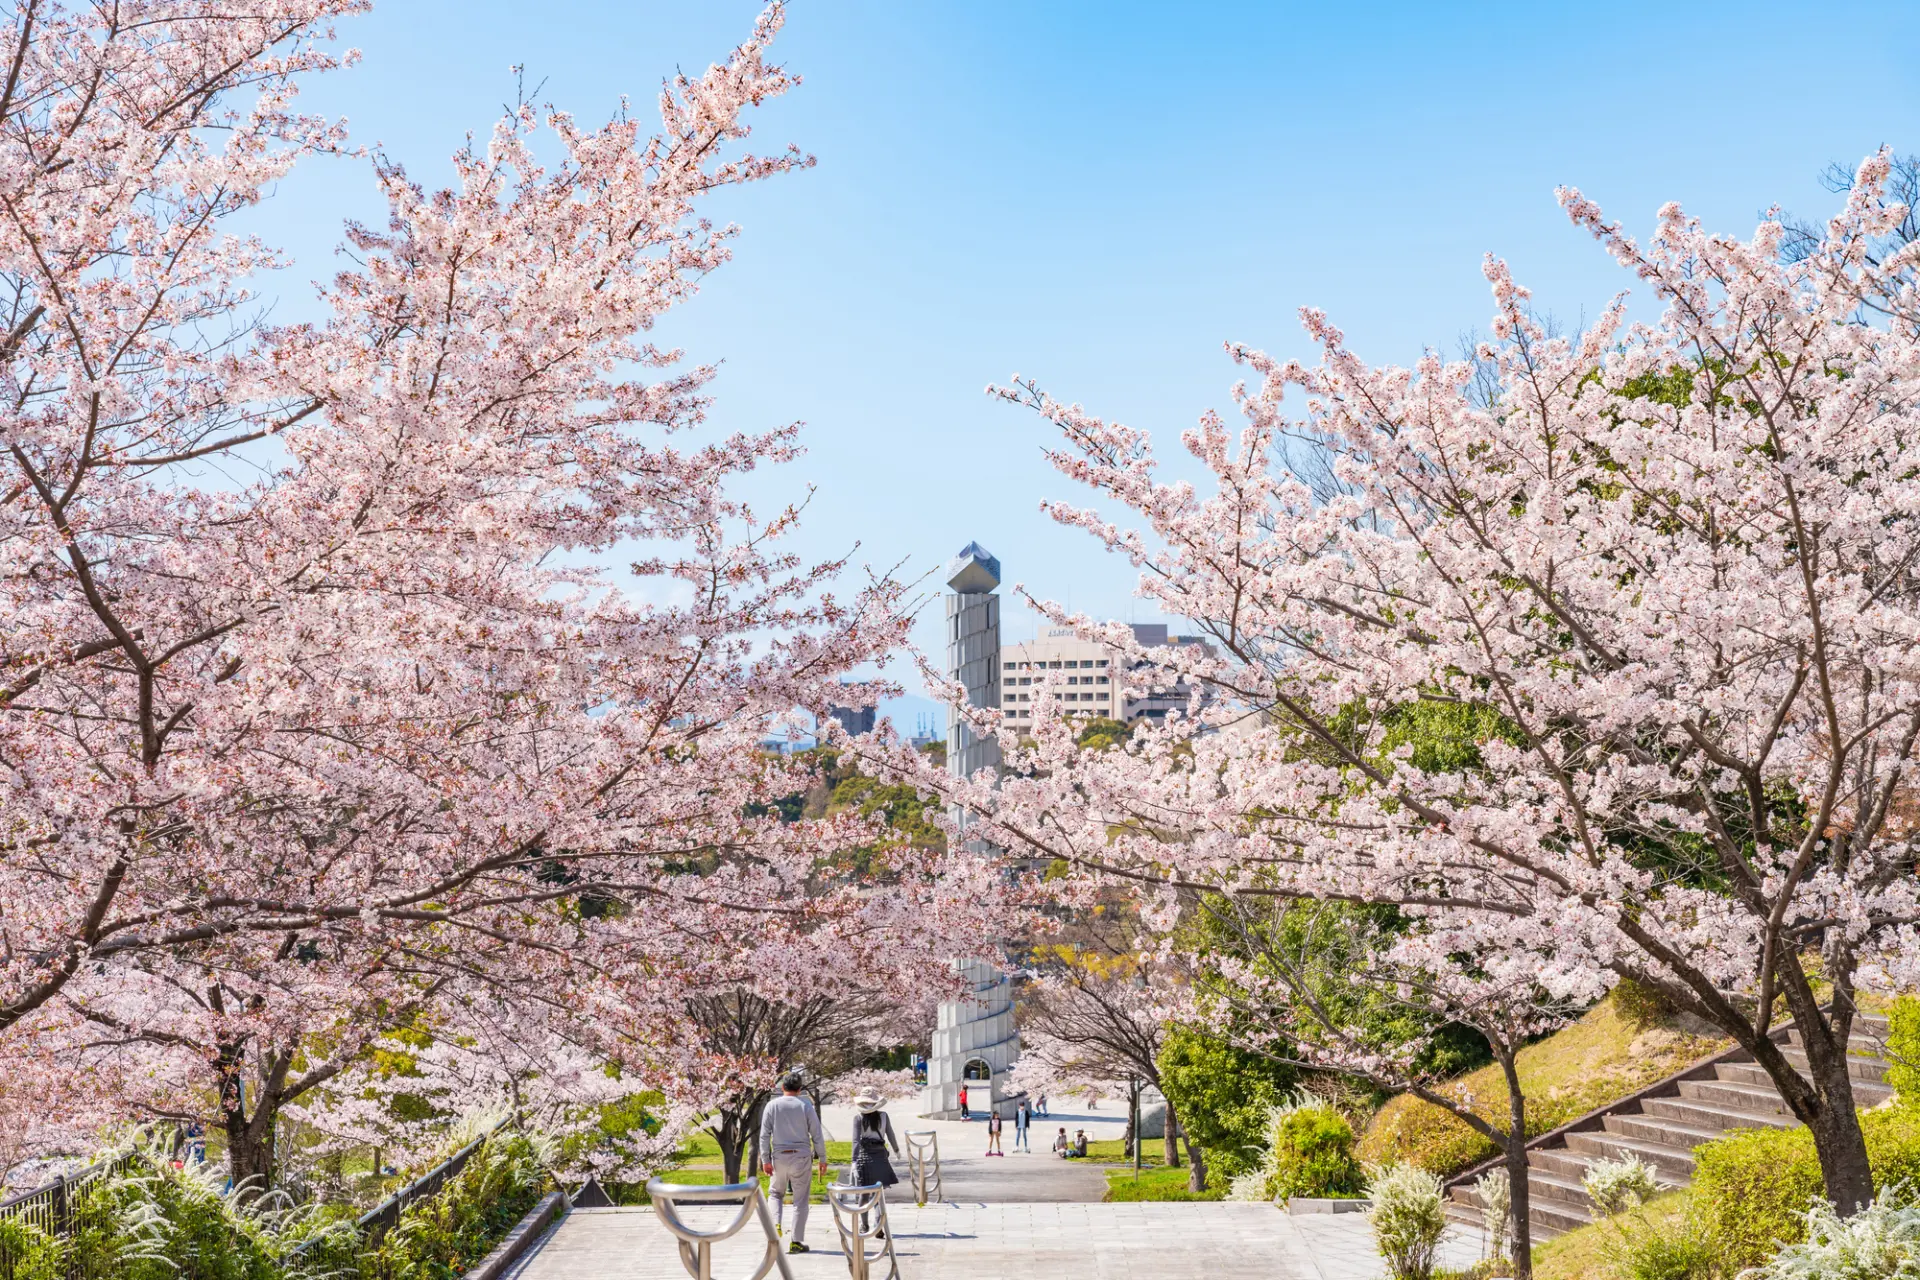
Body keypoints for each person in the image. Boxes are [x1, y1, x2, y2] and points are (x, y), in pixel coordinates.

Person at [760, 1073, 828, 1254]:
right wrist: (822, 1158)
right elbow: (816, 1134)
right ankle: (796, 1241)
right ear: (799, 1089)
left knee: (775, 1193)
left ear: (782, 1087)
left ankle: (775, 1224)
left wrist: (765, 1159)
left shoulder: (771, 1106)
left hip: (779, 1156)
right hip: (801, 1157)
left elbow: (764, 1135)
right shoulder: (805, 1105)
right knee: (800, 1200)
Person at [847, 1091, 901, 1239]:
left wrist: (853, 1160)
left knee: (864, 1194)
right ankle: (878, 1226)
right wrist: (896, 1149)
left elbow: (856, 1141)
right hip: (880, 1155)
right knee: (878, 1193)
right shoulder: (883, 1116)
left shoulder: (858, 1118)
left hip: (864, 1156)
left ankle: (864, 1225)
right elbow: (890, 1134)